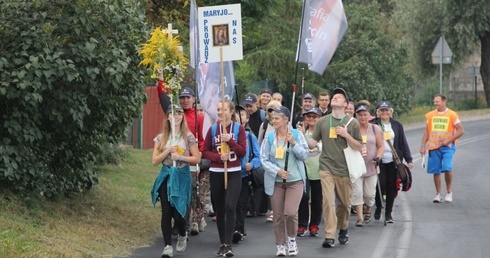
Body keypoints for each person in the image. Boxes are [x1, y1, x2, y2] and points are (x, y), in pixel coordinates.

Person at [305, 88, 362, 248]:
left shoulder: (353, 123)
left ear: (345, 104)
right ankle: (329, 235)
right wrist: (302, 135)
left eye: (339, 97)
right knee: (328, 202)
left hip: (345, 170)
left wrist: (346, 135)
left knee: (344, 204)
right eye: (334, 97)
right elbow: (312, 143)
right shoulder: (322, 122)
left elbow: (359, 146)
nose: (335, 98)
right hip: (326, 167)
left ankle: (343, 227)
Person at [151, 105, 201, 257]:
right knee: (166, 212)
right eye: (173, 114)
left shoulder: (188, 137)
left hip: (181, 175)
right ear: (168, 117)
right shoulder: (161, 138)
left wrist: (180, 157)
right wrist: (167, 150)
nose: (177, 116)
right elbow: (154, 160)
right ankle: (167, 246)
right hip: (166, 175)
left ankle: (182, 233)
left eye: (179, 113)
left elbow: (197, 158)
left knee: (178, 213)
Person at [260, 106, 309, 256]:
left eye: (277, 118)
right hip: (276, 181)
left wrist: (294, 143)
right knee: (278, 215)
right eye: (272, 118)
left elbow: (304, 154)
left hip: (295, 181)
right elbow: (264, 159)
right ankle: (280, 244)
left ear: (286, 120)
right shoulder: (269, 138)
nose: (273, 121)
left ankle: (292, 239)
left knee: (290, 213)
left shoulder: (296, 134)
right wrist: (277, 171)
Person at [202, 100, 247, 257]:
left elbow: (242, 151)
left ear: (231, 111)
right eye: (219, 109)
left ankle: (228, 244)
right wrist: (218, 157)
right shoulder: (213, 129)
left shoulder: (238, 128)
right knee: (220, 208)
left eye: (224, 109)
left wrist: (230, 141)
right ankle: (222, 243)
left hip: (234, 171)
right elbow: (205, 151)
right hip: (216, 171)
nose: (220, 112)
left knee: (230, 206)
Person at [372, 101, 413, 223]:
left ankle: (388, 213)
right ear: (378, 112)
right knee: (380, 185)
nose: (384, 112)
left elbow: (403, 142)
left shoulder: (397, 125)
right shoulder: (373, 124)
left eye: (387, 110)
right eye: (382, 110)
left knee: (391, 187)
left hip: (393, 160)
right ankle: (379, 207)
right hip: (378, 160)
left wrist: (409, 159)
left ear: (391, 112)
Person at [420, 94, 464, 203]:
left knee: (447, 167)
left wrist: (449, 141)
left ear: (444, 101)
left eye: (437, 102)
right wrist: (423, 146)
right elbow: (427, 131)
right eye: (434, 102)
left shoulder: (452, 115)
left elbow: (461, 131)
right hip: (434, 146)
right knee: (436, 170)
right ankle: (438, 194)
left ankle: (449, 192)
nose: (435, 104)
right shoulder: (430, 115)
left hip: (448, 147)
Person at [177, 87, 208, 235]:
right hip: (178, 158)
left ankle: (196, 219)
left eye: (188, 97)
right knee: (180, 191)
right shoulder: (176, 115)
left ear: (194, 99)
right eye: (182, 98)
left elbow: (202, 139)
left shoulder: (199, 117)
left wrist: (199, 153)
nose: (185, 100)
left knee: (195, 191)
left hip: (194, 159)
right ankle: (180, 221)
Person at [351, 103, 384, 227]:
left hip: (371, 165)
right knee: (357, 192)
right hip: (357, 166)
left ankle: (369, 208)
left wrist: (378, 157)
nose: (362, 117)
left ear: (369, 116)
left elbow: (380, 146)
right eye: (360, 115)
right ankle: (359, 218)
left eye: (365, 115)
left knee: (370, 194)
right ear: (356, 116)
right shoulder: (353, 128)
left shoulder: (375, 128)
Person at [232, 105, 261, 244]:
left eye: (242, 115)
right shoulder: (229, 135)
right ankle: (232, 228)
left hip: (244, 175)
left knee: (241, 203)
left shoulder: (250, 136)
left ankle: (239, 229)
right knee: (231, 203)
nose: (239, 117)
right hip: (230, 173)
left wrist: (252, 164)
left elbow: (258, 156)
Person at [296, 107, 323, 237]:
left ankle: (314, 224)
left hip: (319, 169)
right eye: (309, 116)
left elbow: (319, 147)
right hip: (304, 169)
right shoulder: (301, 132)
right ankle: (302, 224)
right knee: (304, 197)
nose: (311, 119)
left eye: (314, 117)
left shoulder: (323, 132)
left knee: (317, 198)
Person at [257, 100, 282, 222]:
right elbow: (259, 142)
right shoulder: (265, 125)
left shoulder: (285, 124)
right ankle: (273, 209)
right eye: (270, 109)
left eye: (275, 109)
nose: (272, 112)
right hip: (269, 160)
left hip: (282, 159)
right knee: (271, 184)